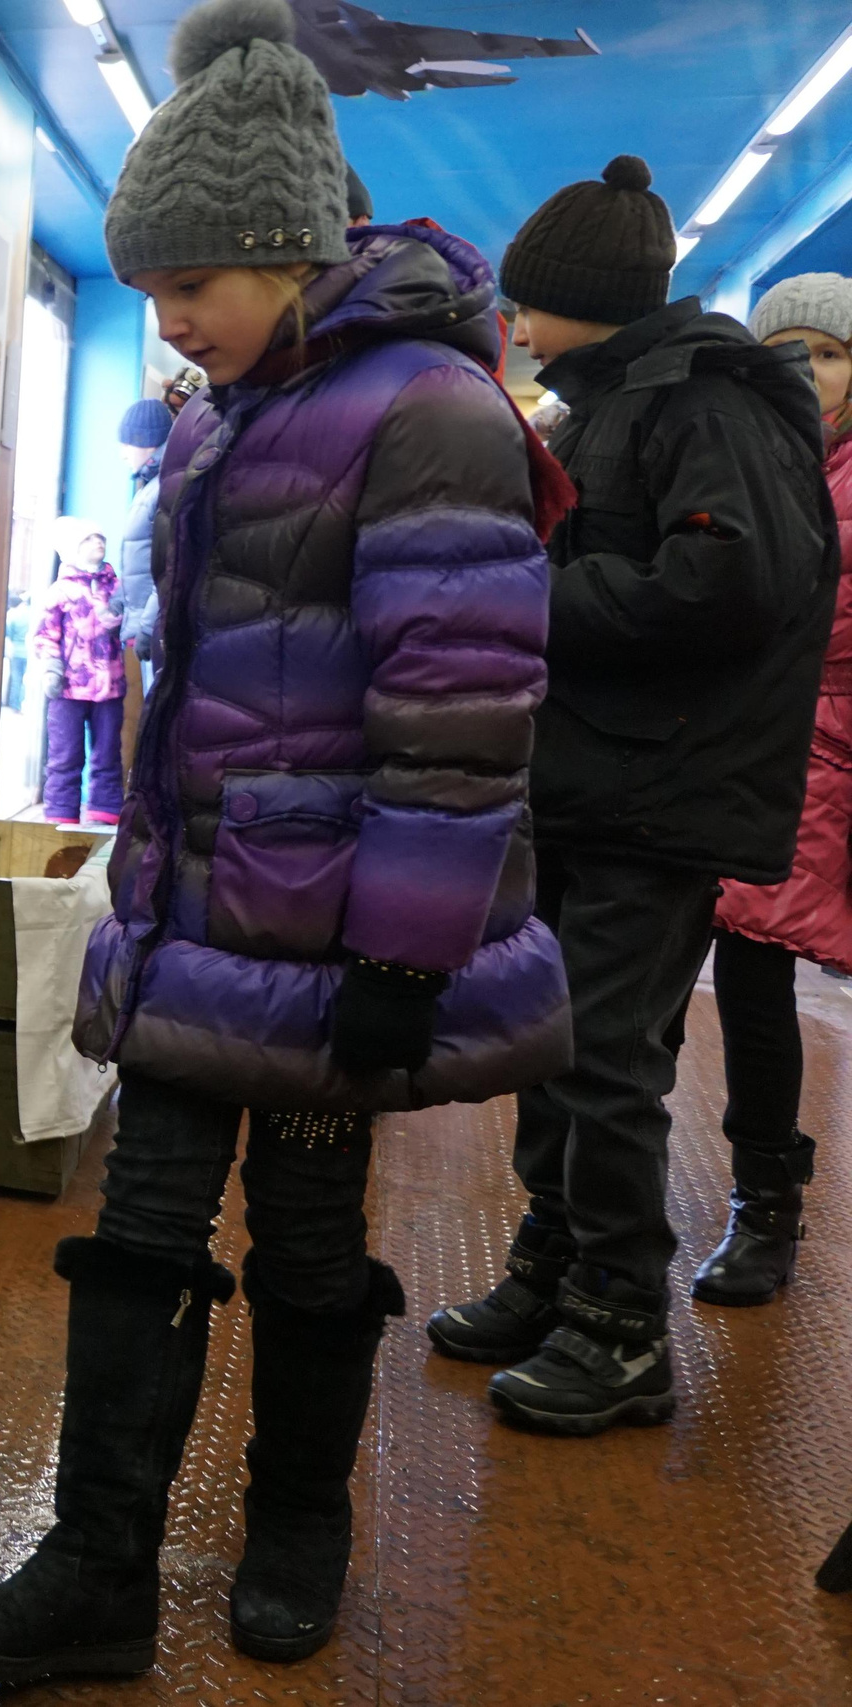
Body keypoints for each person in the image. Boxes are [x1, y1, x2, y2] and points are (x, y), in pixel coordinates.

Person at [0, 0, 571, 1684]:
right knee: (137, 1225)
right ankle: (99, 1563)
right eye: (145, 290)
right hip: (200, 907)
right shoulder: (220, 414)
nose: (168, 321)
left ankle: (299, 1521)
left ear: (286, 250)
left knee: (302, 1242)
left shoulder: (429, 408)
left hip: (332, 929)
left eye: (190, 282)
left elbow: (466, 704)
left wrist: (399, 952)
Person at [424, 158, 839, 1435]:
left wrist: (523, 603)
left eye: (527, 302)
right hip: (593, 774)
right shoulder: (606, 403)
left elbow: (727, 584)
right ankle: (552, 1272)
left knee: (605, 1056)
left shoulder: (704, 402)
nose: (513, 324)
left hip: (664, 785)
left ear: (572, 299)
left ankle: (619, 1325)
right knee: (553, 1044)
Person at [687, 273, 852, 1306]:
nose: (807, 367)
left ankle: (766, 1197)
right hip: (739, 742)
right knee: (708, 977)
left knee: (753, 977)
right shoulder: (745, 456)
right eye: (786, 347)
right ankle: (752, 1196)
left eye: (829, 352)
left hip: (820, 748)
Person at [34, 519, 125, 826]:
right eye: (88, 540)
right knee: (65, 754)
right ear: (73, 550)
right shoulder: (60, 591)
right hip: (70, 686)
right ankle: (60, 812)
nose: (98, 543)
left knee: (108, 751)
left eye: (100, 538)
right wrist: (51, 669)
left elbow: (128, 621)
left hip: (110, 685)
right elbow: (46, 634)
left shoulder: (115, 586)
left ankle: (105, 808)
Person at [115, 396, 174, 693]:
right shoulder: (151, 485)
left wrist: (149, 627)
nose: (122, 452)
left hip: (155, 629)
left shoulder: (164, 487)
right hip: (147, 624)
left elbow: (168, 565)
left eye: (127, 443)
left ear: (145, 441)